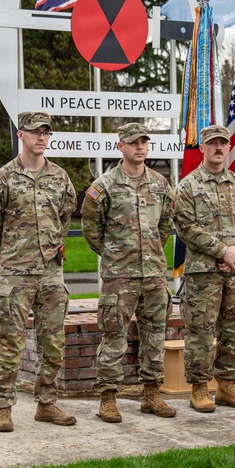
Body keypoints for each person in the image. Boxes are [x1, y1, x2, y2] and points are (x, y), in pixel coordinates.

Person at [0, 111, 78, 432]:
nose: (41, 138)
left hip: (51, 273)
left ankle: (47, 403)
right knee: (11, 341)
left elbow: (65, 217)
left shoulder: (60, 178)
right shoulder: (2, 179)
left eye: (46, 133)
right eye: (35, 132)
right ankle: (3, 406)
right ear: (20, 134)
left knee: (53, 340)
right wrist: (5, 258)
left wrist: (52, 247)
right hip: (15, 273)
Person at [81, 122, 177, 423]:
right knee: (114, 335)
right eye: (134, 142)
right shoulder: (104, 186)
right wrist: (114, 253)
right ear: (120, 146)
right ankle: (108, 397)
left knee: (154, 334)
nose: (140, 147)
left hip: (154, 274)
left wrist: (150, 251)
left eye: (144, 142)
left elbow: (165, 224)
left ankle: (151, 394)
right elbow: (91, 228)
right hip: (119, 275)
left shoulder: (160, 184)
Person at [174, 124, 235, 413]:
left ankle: (226, 386)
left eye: (223, 143)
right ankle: (198, 388)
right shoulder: (188, 186)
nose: (218, 148)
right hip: (203, 273)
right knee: (200, 330)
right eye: (212, 143)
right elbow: (186, 227)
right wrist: (222, 251)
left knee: (233, 328)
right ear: (202, 148)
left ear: (229, 146)